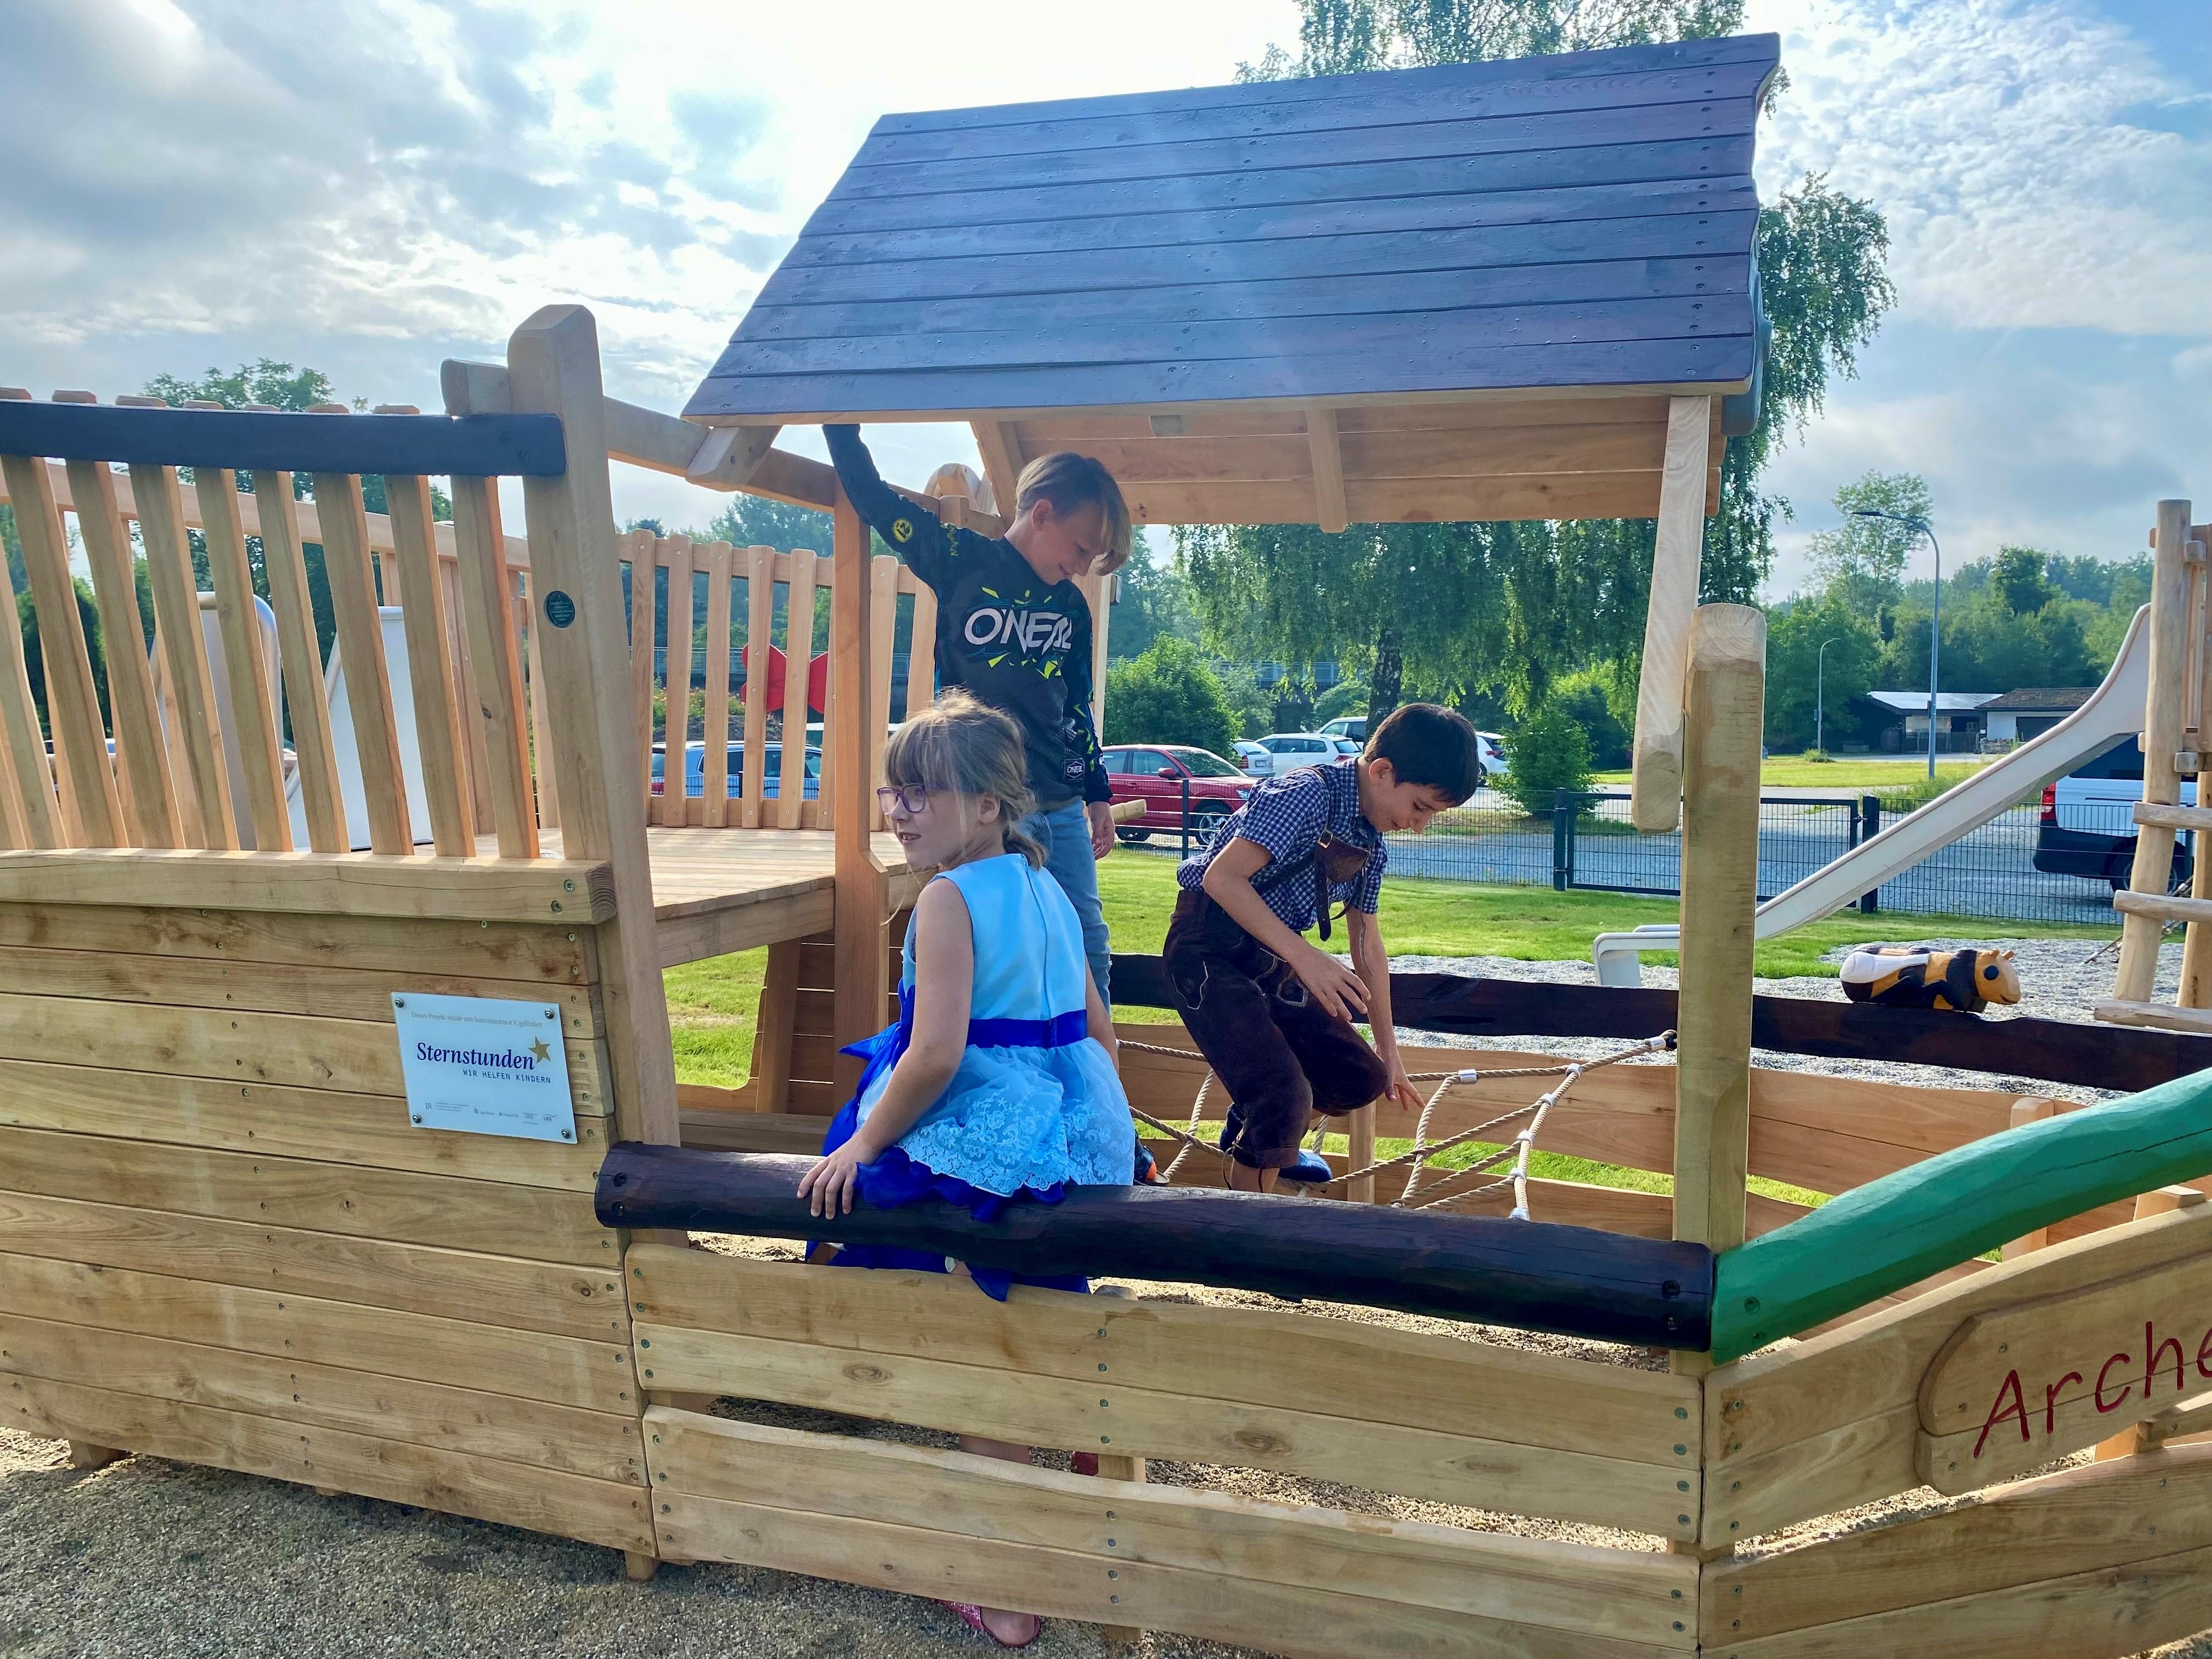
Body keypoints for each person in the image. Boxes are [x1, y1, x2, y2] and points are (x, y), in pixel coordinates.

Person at [797, 691, 1135, 1651]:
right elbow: (1098, 1027)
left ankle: (1006, 1588)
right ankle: (1077, 1448)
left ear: (989, 804)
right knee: (1038, 1302)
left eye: (925, 792)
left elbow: (936, 1053)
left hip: (985, 1123)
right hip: (1068, 1113)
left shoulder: (947, 898)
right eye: (892, 791)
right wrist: (1107, 1124)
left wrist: (862, 1144)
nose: (901, 811)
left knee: (970, 1331)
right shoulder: (1048, 888)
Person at [823, 424, 1130, 1005]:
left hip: (1060, 802)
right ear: (1042, 514)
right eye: (1082, 549)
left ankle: (1095, 1072)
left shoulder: (1070, 607)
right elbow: (874, 499)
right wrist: (841, 423)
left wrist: (1097, 794)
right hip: (984, 801)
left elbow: (1078, 706)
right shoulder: (962, 559)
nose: (1084, 568)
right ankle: (959, 1056)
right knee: (987, 934)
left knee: (1085, 937)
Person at [1165, 704, 1482, 1193]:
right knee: (1282, 1096)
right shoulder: (1305, 794)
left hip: (1268, 955)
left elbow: (1367, 944)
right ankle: (1249, 1237)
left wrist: (1390, 1053)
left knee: (1358, 1078)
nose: (1420, 826)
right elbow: (1222, 879)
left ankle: (1260, 1140)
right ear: (1381, 772)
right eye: (1420, 808)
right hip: (1207, 945)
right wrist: (1307, 957)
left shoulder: (1372, 841)